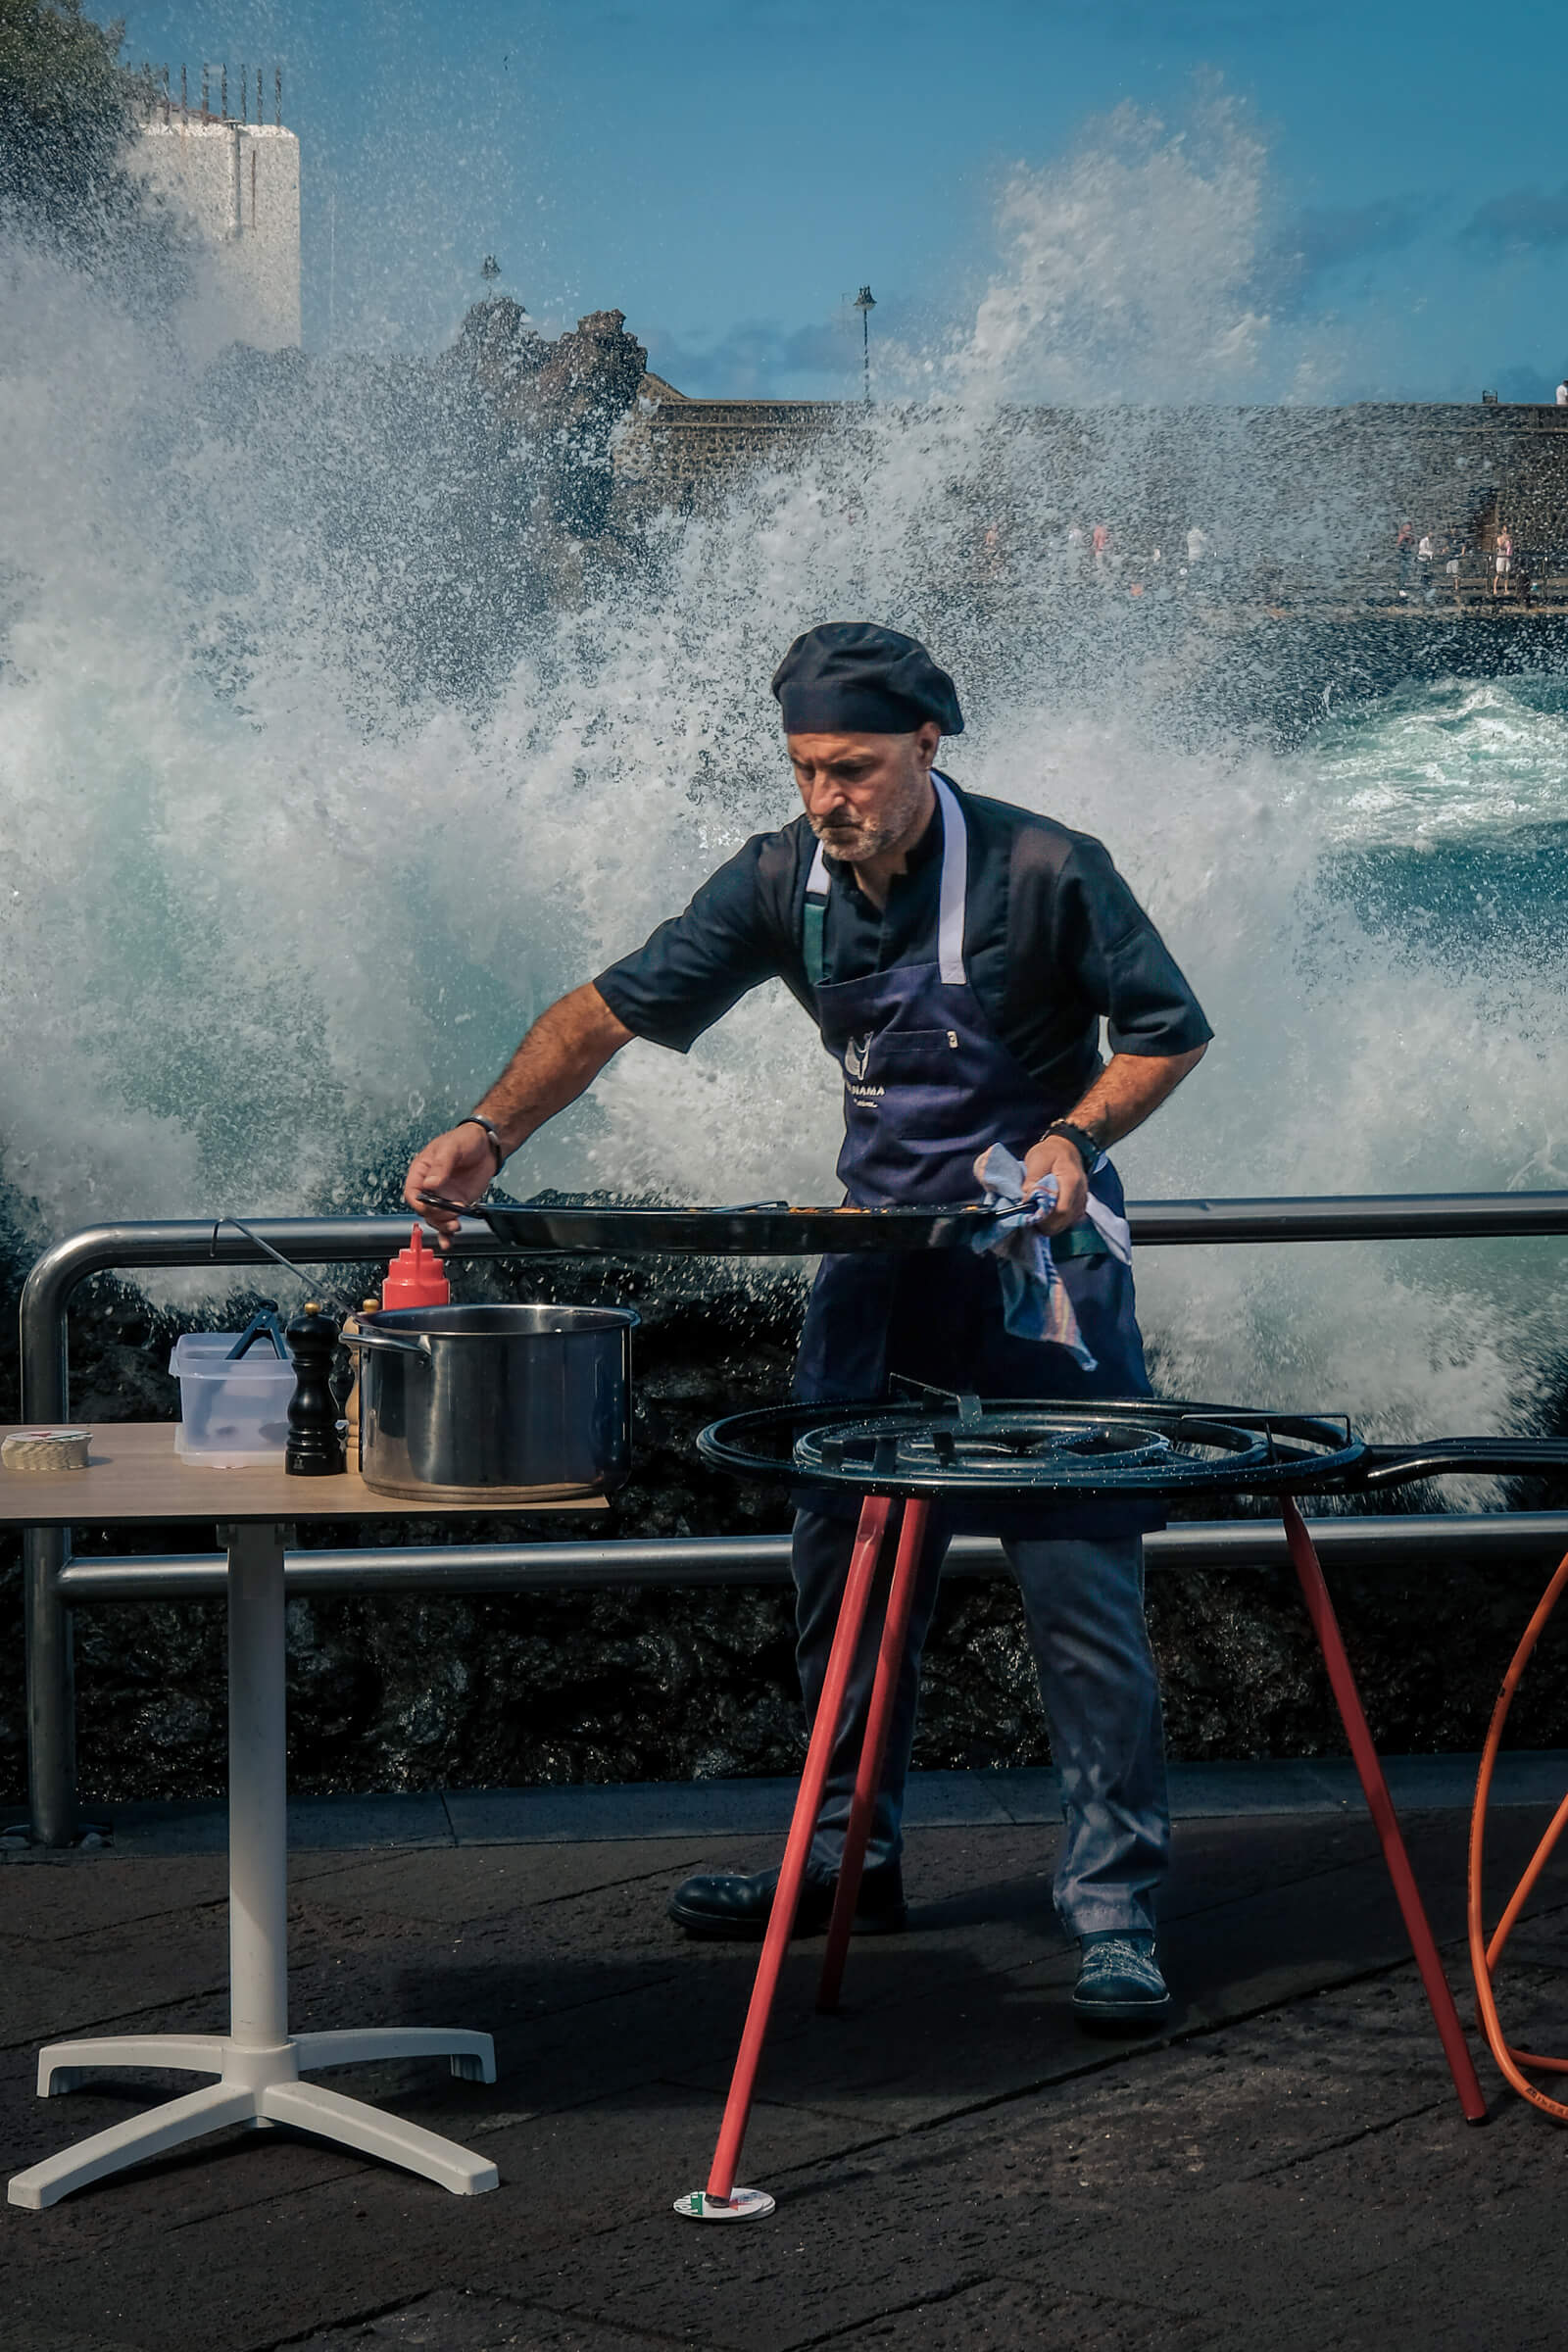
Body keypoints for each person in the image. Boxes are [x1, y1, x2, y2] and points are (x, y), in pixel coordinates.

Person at [404, 623, 1211, 2032]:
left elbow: (1168, 1031)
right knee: (844, 1587)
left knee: (1081, 1604)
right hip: (874, 1282)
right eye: (805, 771)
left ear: (928, 746)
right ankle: (849, 1859)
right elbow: (604, 1014)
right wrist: (489, 1130)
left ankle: (1116, 1908)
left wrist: (1077, 1135)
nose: (828, 798)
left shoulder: (1045, 867)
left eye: (853, 768)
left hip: (1041, 1292)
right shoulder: (785, 881)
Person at [1494, 524, 1513, 598]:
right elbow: (1501, 546)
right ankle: (1495, 589)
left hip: (1507, 557)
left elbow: (1510, 547)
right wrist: (1505, 539)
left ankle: (1506, 589)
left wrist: (1510, 541)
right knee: (1499, 573)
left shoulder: (1510, 539)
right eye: (1505, 531)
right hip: (1501, 557)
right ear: (1502, 531)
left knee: (1507, 573)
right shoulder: (1499, 538)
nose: (1506, 532)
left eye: (1507, 531)